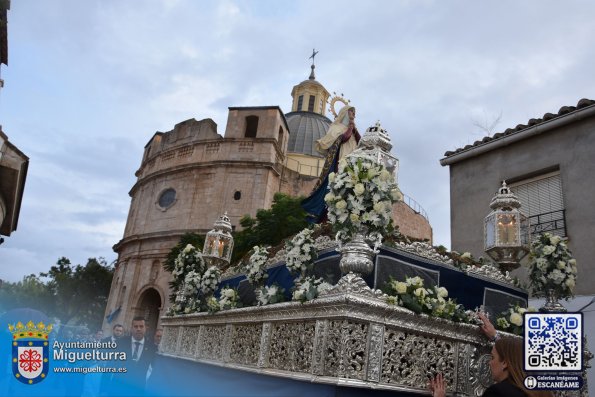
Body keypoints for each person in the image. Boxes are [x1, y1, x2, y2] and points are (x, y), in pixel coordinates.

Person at [429, 313, 553, 397]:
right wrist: (496, 337)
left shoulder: (498, 393)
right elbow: (516, 353)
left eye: (492, 357)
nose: (489, 362)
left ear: (505, 363)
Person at [301, 105, 360, 223]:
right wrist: (350, 128)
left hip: (351, 163)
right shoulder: (336, 127)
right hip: (339, 162)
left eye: (354, 114)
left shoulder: (353, 131)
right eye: (351, 113)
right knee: (335, 187)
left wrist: (354, 129)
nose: (353, 116)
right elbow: (343, 138)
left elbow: (360, 141)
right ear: (345, 114)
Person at [115, 316, 157, 394]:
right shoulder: (120, 343)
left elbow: (155, 369)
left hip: (139, 389)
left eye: (141, 326)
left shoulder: (152, 347)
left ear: (146, 328)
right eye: (136, 326)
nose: (138, 329)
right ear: (132, 328)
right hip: (119, 388)